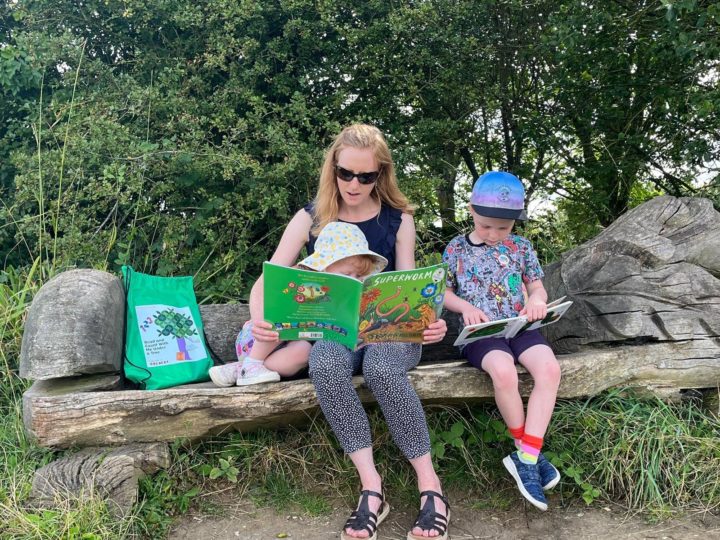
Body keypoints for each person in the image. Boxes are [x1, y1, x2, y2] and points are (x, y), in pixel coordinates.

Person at [248, 124, 450, 540]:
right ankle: (371, 488)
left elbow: (410, 286)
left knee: (380, 370)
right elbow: (268, 280)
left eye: (366, 176)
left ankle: (431, 486)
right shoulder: (310, 217)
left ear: (381, 174)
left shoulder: (399, 218)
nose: (354, 184)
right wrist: (259, 320)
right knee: (324, 364)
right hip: (335, 331)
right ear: (332, 168)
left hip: (389, 333)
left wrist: (427, 321)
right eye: (346, 174)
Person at [442, 171, 562, 511]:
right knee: (504, 371)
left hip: (521, 327)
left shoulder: (522, 247)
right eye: (485, 226)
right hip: (482, 335)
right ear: (471, 211)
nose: (494, 235)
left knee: (549, 370)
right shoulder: (456, 249)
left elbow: (536, 286)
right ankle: (527, 453)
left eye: (503, 228)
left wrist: (537, 300)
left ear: (515, 224)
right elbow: (443, 293)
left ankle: (527, 455)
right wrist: (464, 307)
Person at [209, 222, 387, 387]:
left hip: (287, 348)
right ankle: (253, 361)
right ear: (325, 266)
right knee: (281, 320)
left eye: (359, 277)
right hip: (260, 338)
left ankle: (243, 369)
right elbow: (272, 293)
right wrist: (260, 319)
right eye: (348, 274)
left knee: (303, 351)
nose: (353, 280)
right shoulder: (301, 276)